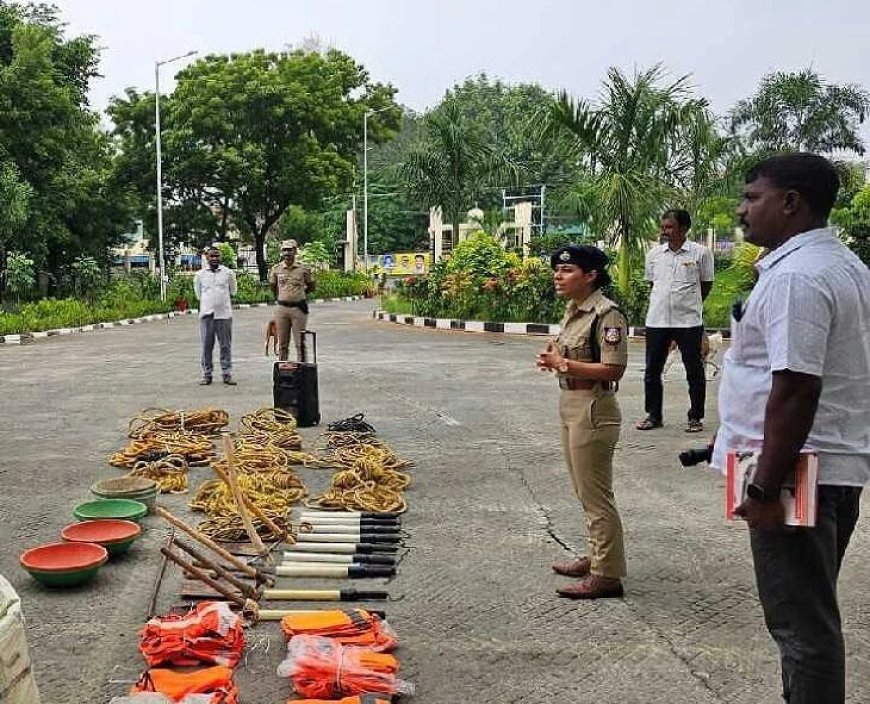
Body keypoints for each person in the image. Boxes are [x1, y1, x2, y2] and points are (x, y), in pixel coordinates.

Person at [712, 153, 869, 703]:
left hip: (796, 472)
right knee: (809, 619)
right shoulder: (844, 266)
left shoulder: (798, 277)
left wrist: (762, 486)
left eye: (753, 197)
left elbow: (797, 388)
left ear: (791, 202)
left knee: (801, 629)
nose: (742, 210)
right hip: (827, 464)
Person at [536, 244, 629, 599]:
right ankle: (596, 556)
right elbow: (567, 356)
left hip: (594, 406)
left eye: (567, 270)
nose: (558, 276)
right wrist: (556, 360)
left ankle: (607, 575)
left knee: (596, 495)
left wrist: (565, 364)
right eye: (557, 270)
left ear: (590, 275)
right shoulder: (575, 311)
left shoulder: (607, 314)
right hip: (571, 401)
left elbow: (614, 367)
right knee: (583, 490)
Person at [637, 209, 714, 433]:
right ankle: (653, 415)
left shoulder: (701, 253)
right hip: (657, 320)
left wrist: (690, 304)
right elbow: (653, 285)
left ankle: (695, 417)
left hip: (688, 321)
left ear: (684, 228)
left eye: (669, 227)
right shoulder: (654, 255)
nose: (664, 231)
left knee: (694, 371)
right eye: (663, 227)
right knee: (652, 370)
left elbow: (705, 285)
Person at [193, 246, 238, 385]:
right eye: (212, 256)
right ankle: (207, 375)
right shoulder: (200, 275)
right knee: (206, 346)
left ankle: (226, 373)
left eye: (217, 256)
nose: (214, 259)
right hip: (207, 315)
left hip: (224, 315)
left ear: (220, 257)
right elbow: (198, 294)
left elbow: (233, 291)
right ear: (207, 257)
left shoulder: (228, 273)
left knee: (225, 345)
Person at [269, 239, 315, 361]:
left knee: (300, 343)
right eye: (284, 250)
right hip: (282, 309)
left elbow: (311, 285)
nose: (287, 253)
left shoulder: (303, 269)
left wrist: (300, 294)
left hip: (298, 309)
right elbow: (273, 286)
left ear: (295, 251)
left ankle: (302, 371)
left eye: (289, 250)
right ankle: (283, 372)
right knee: (283, 344)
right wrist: (281, 297)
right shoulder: (276, 269)